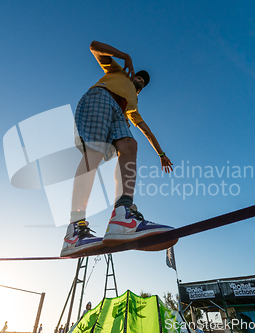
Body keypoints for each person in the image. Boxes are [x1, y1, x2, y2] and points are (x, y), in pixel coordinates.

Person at [61, 41, 174, 257]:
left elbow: (147, 131)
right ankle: (74, 229)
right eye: (138, 78)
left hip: (119, 114)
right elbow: (94, 47)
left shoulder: (133, 106)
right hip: (101, 98)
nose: (139, 81)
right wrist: (125, 55)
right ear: (132, 76)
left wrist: (161, 154)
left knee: (130, 145)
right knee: (94, 152)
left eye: (142, 82)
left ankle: (122, 215)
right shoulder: (119, 73)